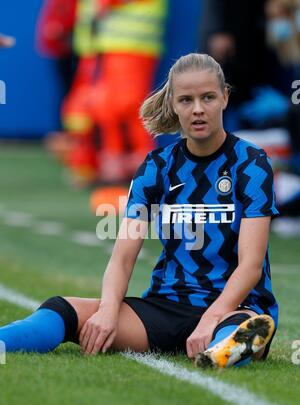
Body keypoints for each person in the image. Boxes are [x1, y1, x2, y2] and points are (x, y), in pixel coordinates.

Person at [0, 53, 278, 368]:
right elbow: (122, 258)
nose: (198, 109)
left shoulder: (251, 162)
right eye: (186, 100)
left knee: (239, 328)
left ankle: (223, 350)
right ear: (173, 103)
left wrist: (211, 317)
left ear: (224, 98)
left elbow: (251, 265)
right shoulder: (156, 166)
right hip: (165, 307)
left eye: (208, 97)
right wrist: (107, 310)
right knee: (65, 310)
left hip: (234, 307)